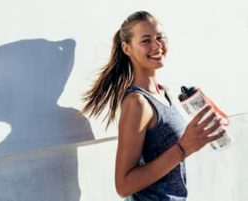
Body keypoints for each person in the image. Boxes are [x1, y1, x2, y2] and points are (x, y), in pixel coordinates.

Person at [82, 11, 225, 200]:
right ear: (127, 48)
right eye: (146, 40)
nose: (157, 45)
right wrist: (183, 148)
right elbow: (123, 185)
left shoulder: (166, 93)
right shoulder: (137, 103)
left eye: (160, 37)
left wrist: (202, 133)